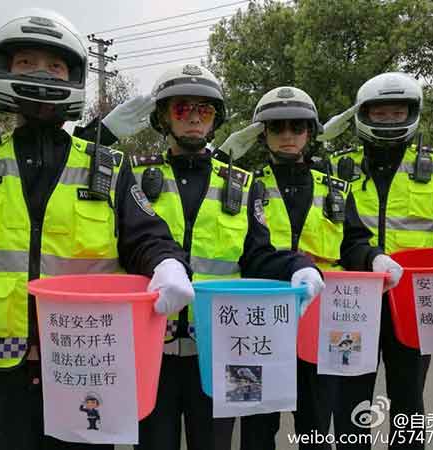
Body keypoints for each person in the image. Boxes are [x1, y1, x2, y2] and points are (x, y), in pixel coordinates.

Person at [0, 8, 195, 450]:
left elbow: (146, 234)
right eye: (25, 62)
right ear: (1, 71)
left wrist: (168, 263)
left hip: (84, 366)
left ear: (74, 75)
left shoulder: (106, 167)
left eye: (54, 65)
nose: (42, 73)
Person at [77, 66, 326, 450]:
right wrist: (97, 132)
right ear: (163, 117)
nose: (194, 117)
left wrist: (299, 267)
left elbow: (258, 256)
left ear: (215, 119)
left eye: (204, 110)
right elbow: (73, 169)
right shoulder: (134, 175)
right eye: (181, 109)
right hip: (149, 349)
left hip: (221, 350)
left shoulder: (242, 185)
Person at [219, 86, 404, 450]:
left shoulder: (335, 188)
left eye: (297, 127)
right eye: (276, 128)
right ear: (263, 135)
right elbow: (244, 250)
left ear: (310, 133)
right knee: (256, 429)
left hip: (320, 325)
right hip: (256, 328)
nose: (287, 135)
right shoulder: (244, 186)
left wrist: (374, 257)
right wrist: (222, 153)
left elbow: (353, 241)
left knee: (315, 425)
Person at [329, 72, 433, 450]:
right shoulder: (340, 168)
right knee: (349, 399)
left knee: (408, 401)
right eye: (380, 114)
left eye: (397, 113)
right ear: (363, 115)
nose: (389, 121)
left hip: (414, 302)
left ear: (411, 114)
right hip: (354, 302)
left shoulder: (432, 165)